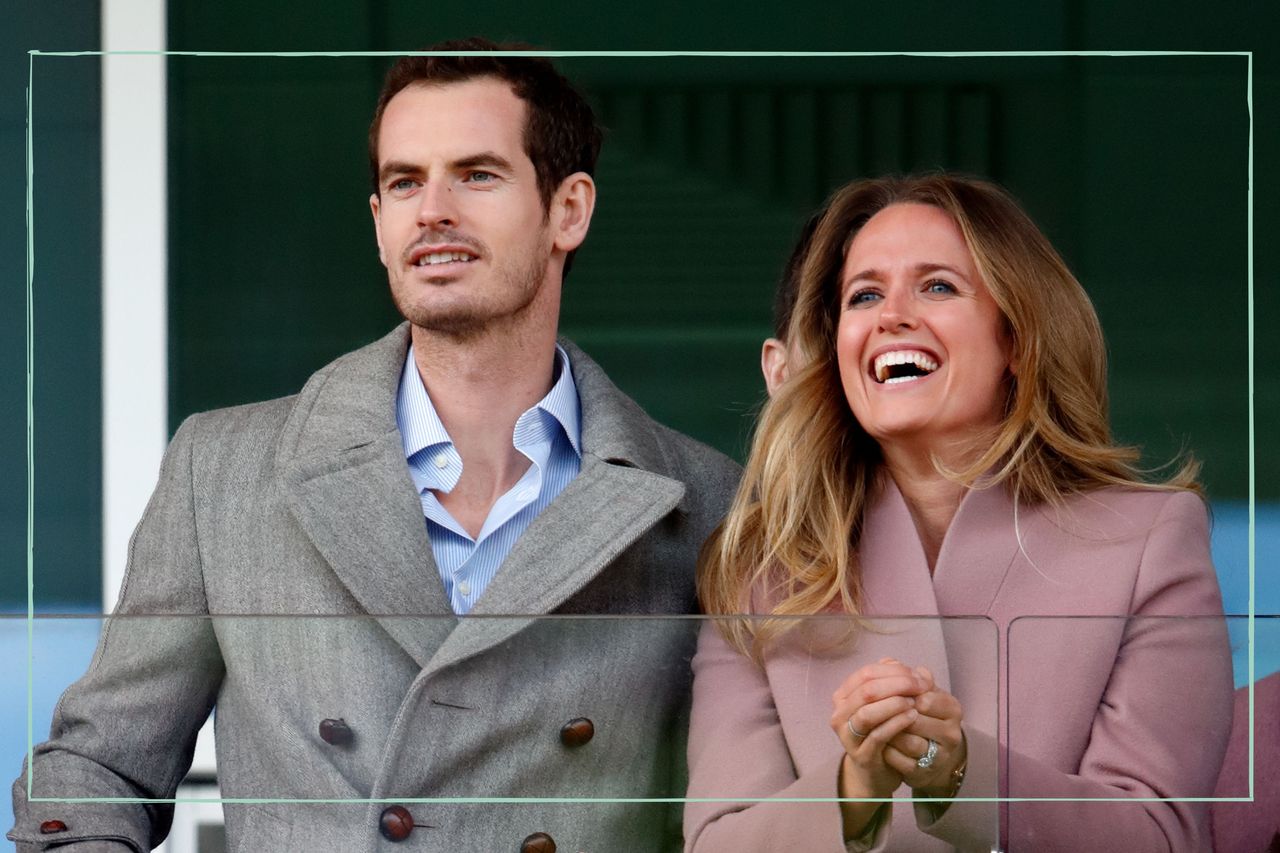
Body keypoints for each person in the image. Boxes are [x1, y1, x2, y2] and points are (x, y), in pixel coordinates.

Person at [9, 39, 740, 852]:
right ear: (379, 225)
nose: (433, 210)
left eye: (477, 174)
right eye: (404, 182)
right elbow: (92, 772)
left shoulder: (706, 503)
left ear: (569, 209)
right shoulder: (222, 472)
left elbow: (744, 810)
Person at [684, 173, 1232, 851]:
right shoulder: (757, 574)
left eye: (937, 285)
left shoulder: (1151, 539)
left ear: (1017, 336)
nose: (893, 315)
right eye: (865, 295)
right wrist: (855, 791)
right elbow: (716, 843)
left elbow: (1161, 834)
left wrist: (961, 775)